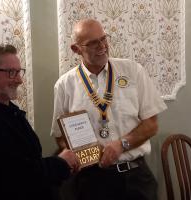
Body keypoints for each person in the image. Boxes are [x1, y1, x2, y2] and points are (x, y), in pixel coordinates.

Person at [51, 19, 167, 200]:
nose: (102, 46)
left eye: (103, 38)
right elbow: (60, 136)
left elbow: (151, 124)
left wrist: (122, 145)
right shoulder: (65, 85)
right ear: (76, 49)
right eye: (93, 43)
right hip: (91, 181)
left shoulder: (133, 71)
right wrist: (85, 155)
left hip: (135, 178)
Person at [0, 44, 80, 200]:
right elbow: (15, 177)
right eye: (11, 73)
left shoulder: (8, 111)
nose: (19, 80)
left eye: (19, 72)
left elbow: (28, 162)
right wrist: (61, 162)